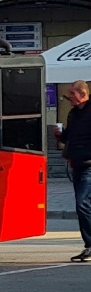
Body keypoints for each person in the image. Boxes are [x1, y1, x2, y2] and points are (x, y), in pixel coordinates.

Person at [57, 80, 91, 261]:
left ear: (82, 93)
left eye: (72, 94)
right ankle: (88, 246)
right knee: (83, 207)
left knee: (82, 203)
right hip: (77, 164)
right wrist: (60, 135)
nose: (69, 97)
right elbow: (69, 136)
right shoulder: (73, 114)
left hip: (89, 165)